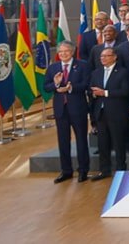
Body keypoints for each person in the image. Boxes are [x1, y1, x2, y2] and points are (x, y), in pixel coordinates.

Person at [45, 41, 90, 183]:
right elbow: (46, 87)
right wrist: (56, 84)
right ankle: (66, 171)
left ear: (72, 52)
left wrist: (71, 88)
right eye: (61, 52)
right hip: (60, 110)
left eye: (66, 51)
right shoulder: (53, 68)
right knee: (63, 141)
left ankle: (83, 170)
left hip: (78, 108)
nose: (63, 54)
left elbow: (87, 84)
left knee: (81, 140)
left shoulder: (82, 65)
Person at [90, 47, 129, 180]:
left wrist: (105, 93)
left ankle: (121, 170)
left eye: (106, 56)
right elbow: (91, 92)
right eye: (102, 56)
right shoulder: (96, 73)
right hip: (100, 113)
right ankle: (104, 170)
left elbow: (125, 91)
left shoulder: (123, 72)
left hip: (116, 113)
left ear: (114, 57)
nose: (103, 59)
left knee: (118, 143)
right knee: (103, 144)